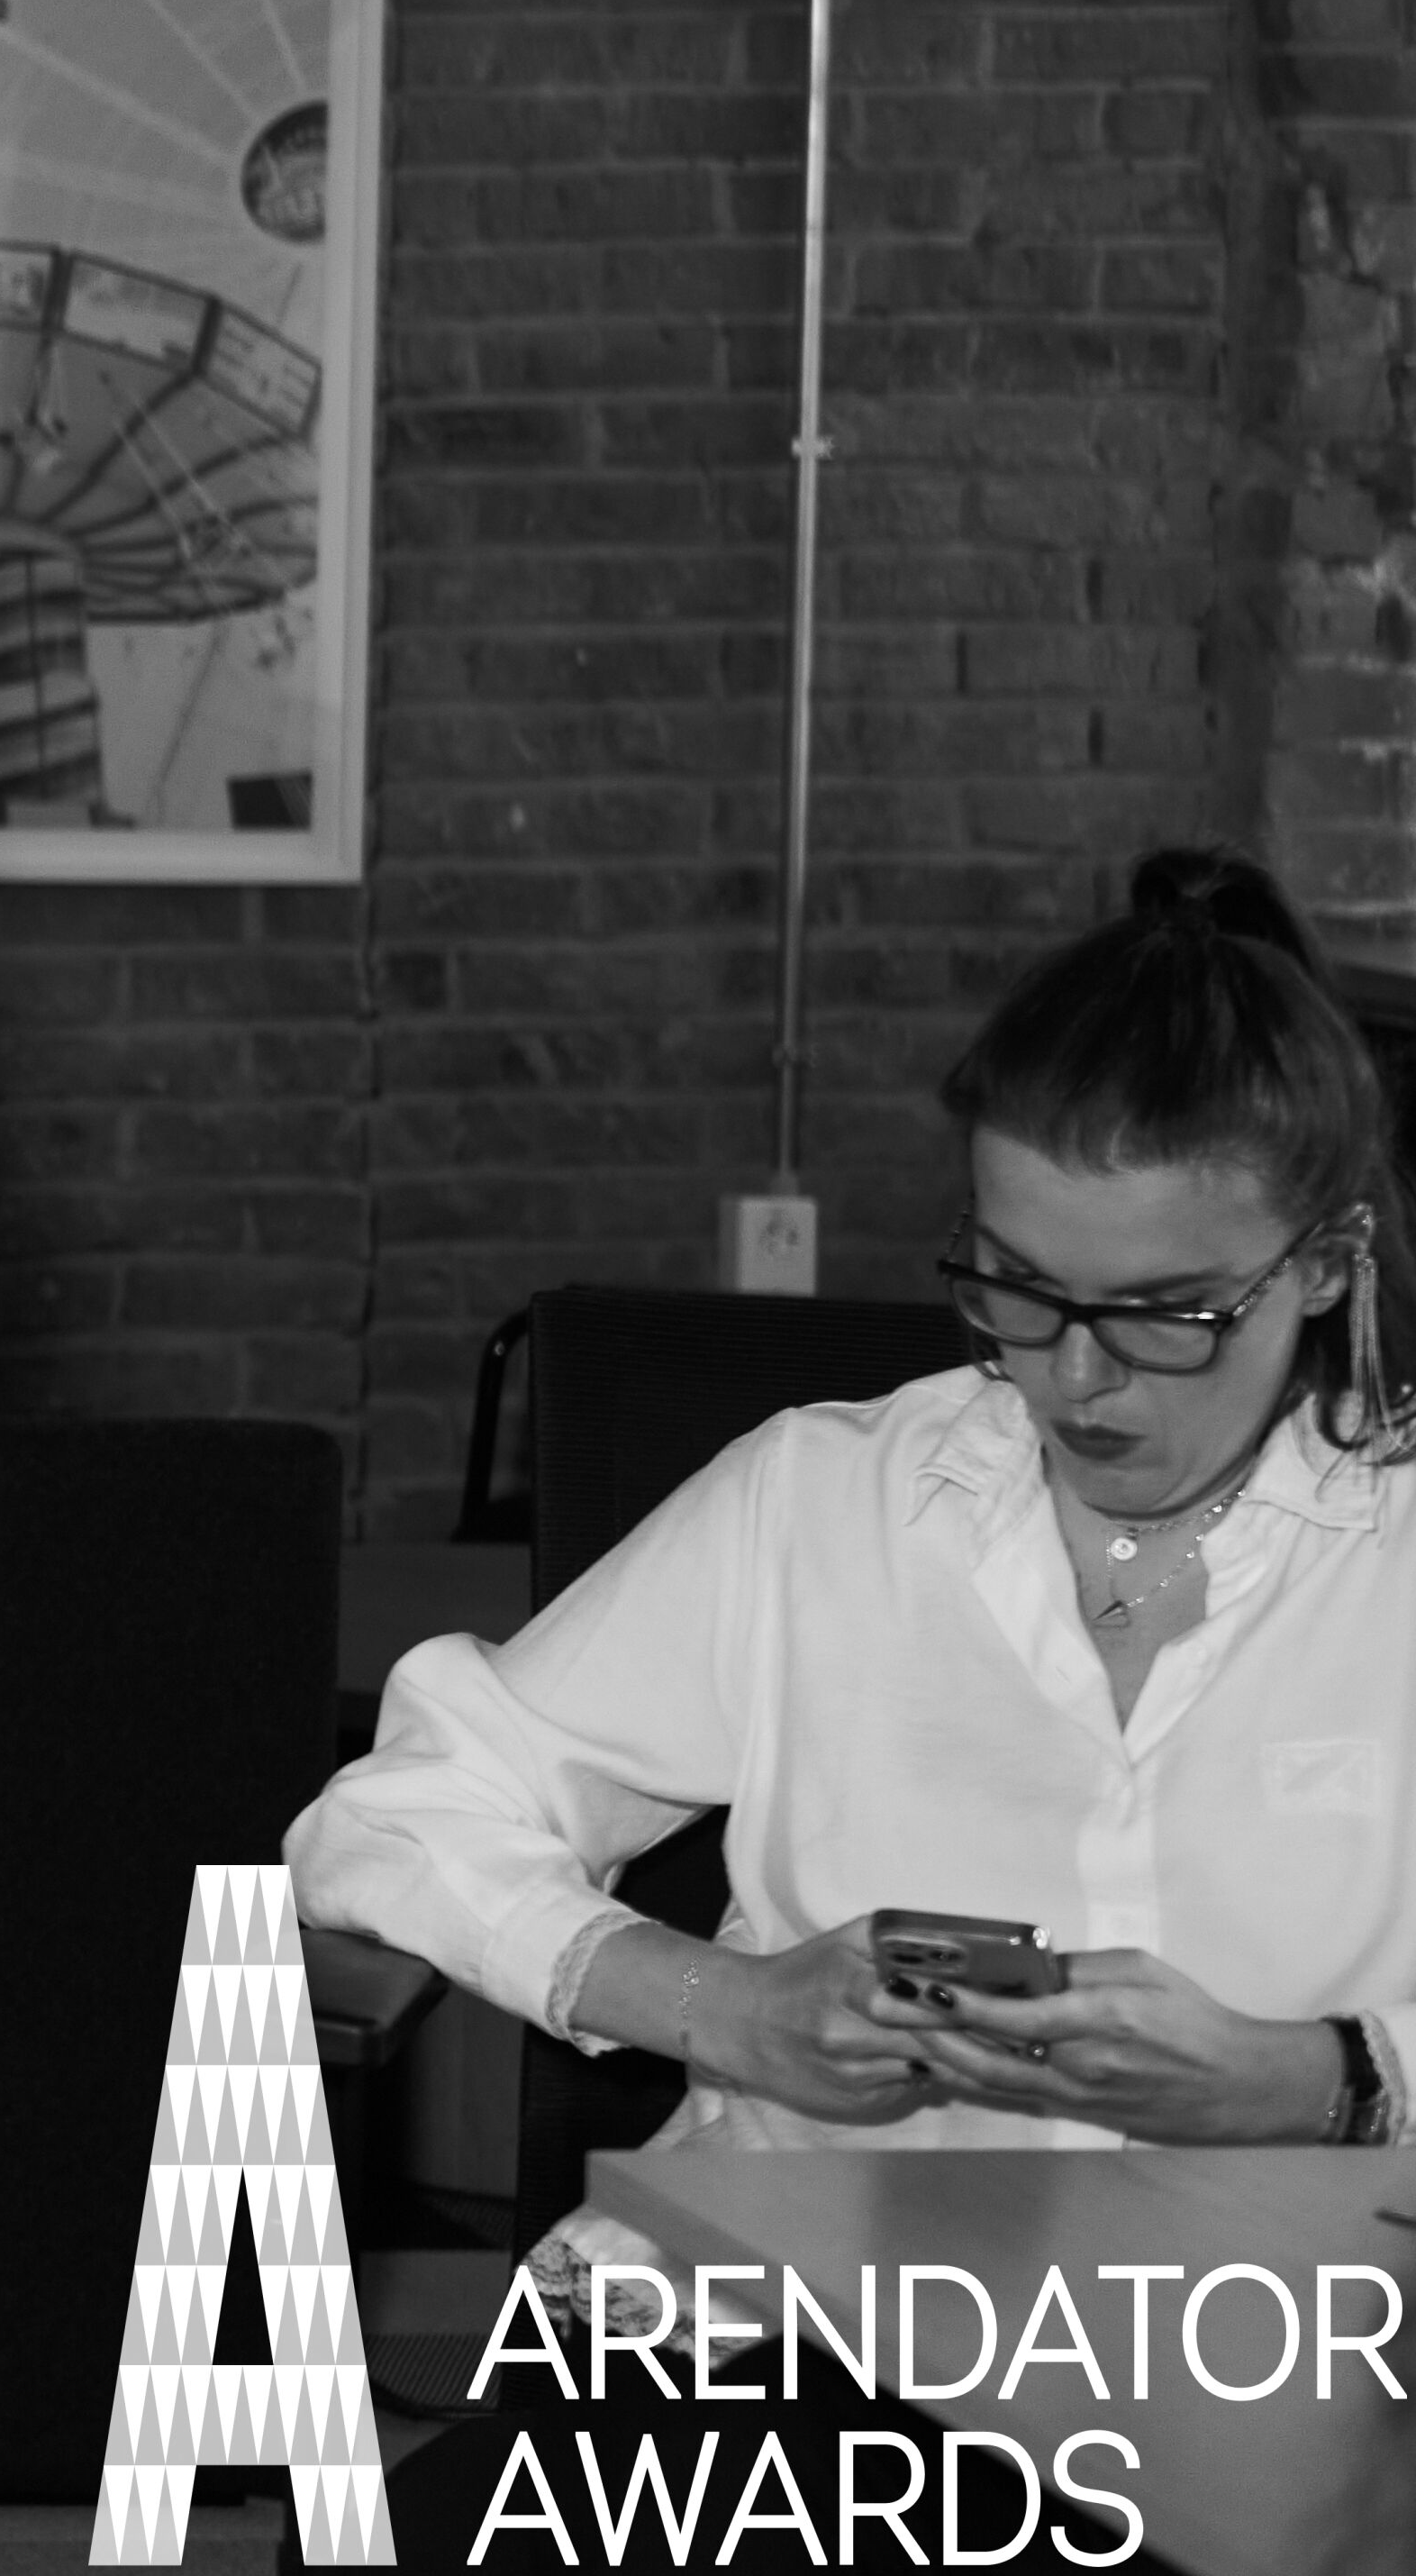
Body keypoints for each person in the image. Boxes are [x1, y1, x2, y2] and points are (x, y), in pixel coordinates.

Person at [299, 850, 1414, 2562]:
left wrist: (1321, 2082)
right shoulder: (825, 1503)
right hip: (778, 2343)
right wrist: (724, 2006)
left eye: (1162, 1316)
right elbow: (397, 1814)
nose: (1076, 1376)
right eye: (1017, 1286)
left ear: (1327, 1266)